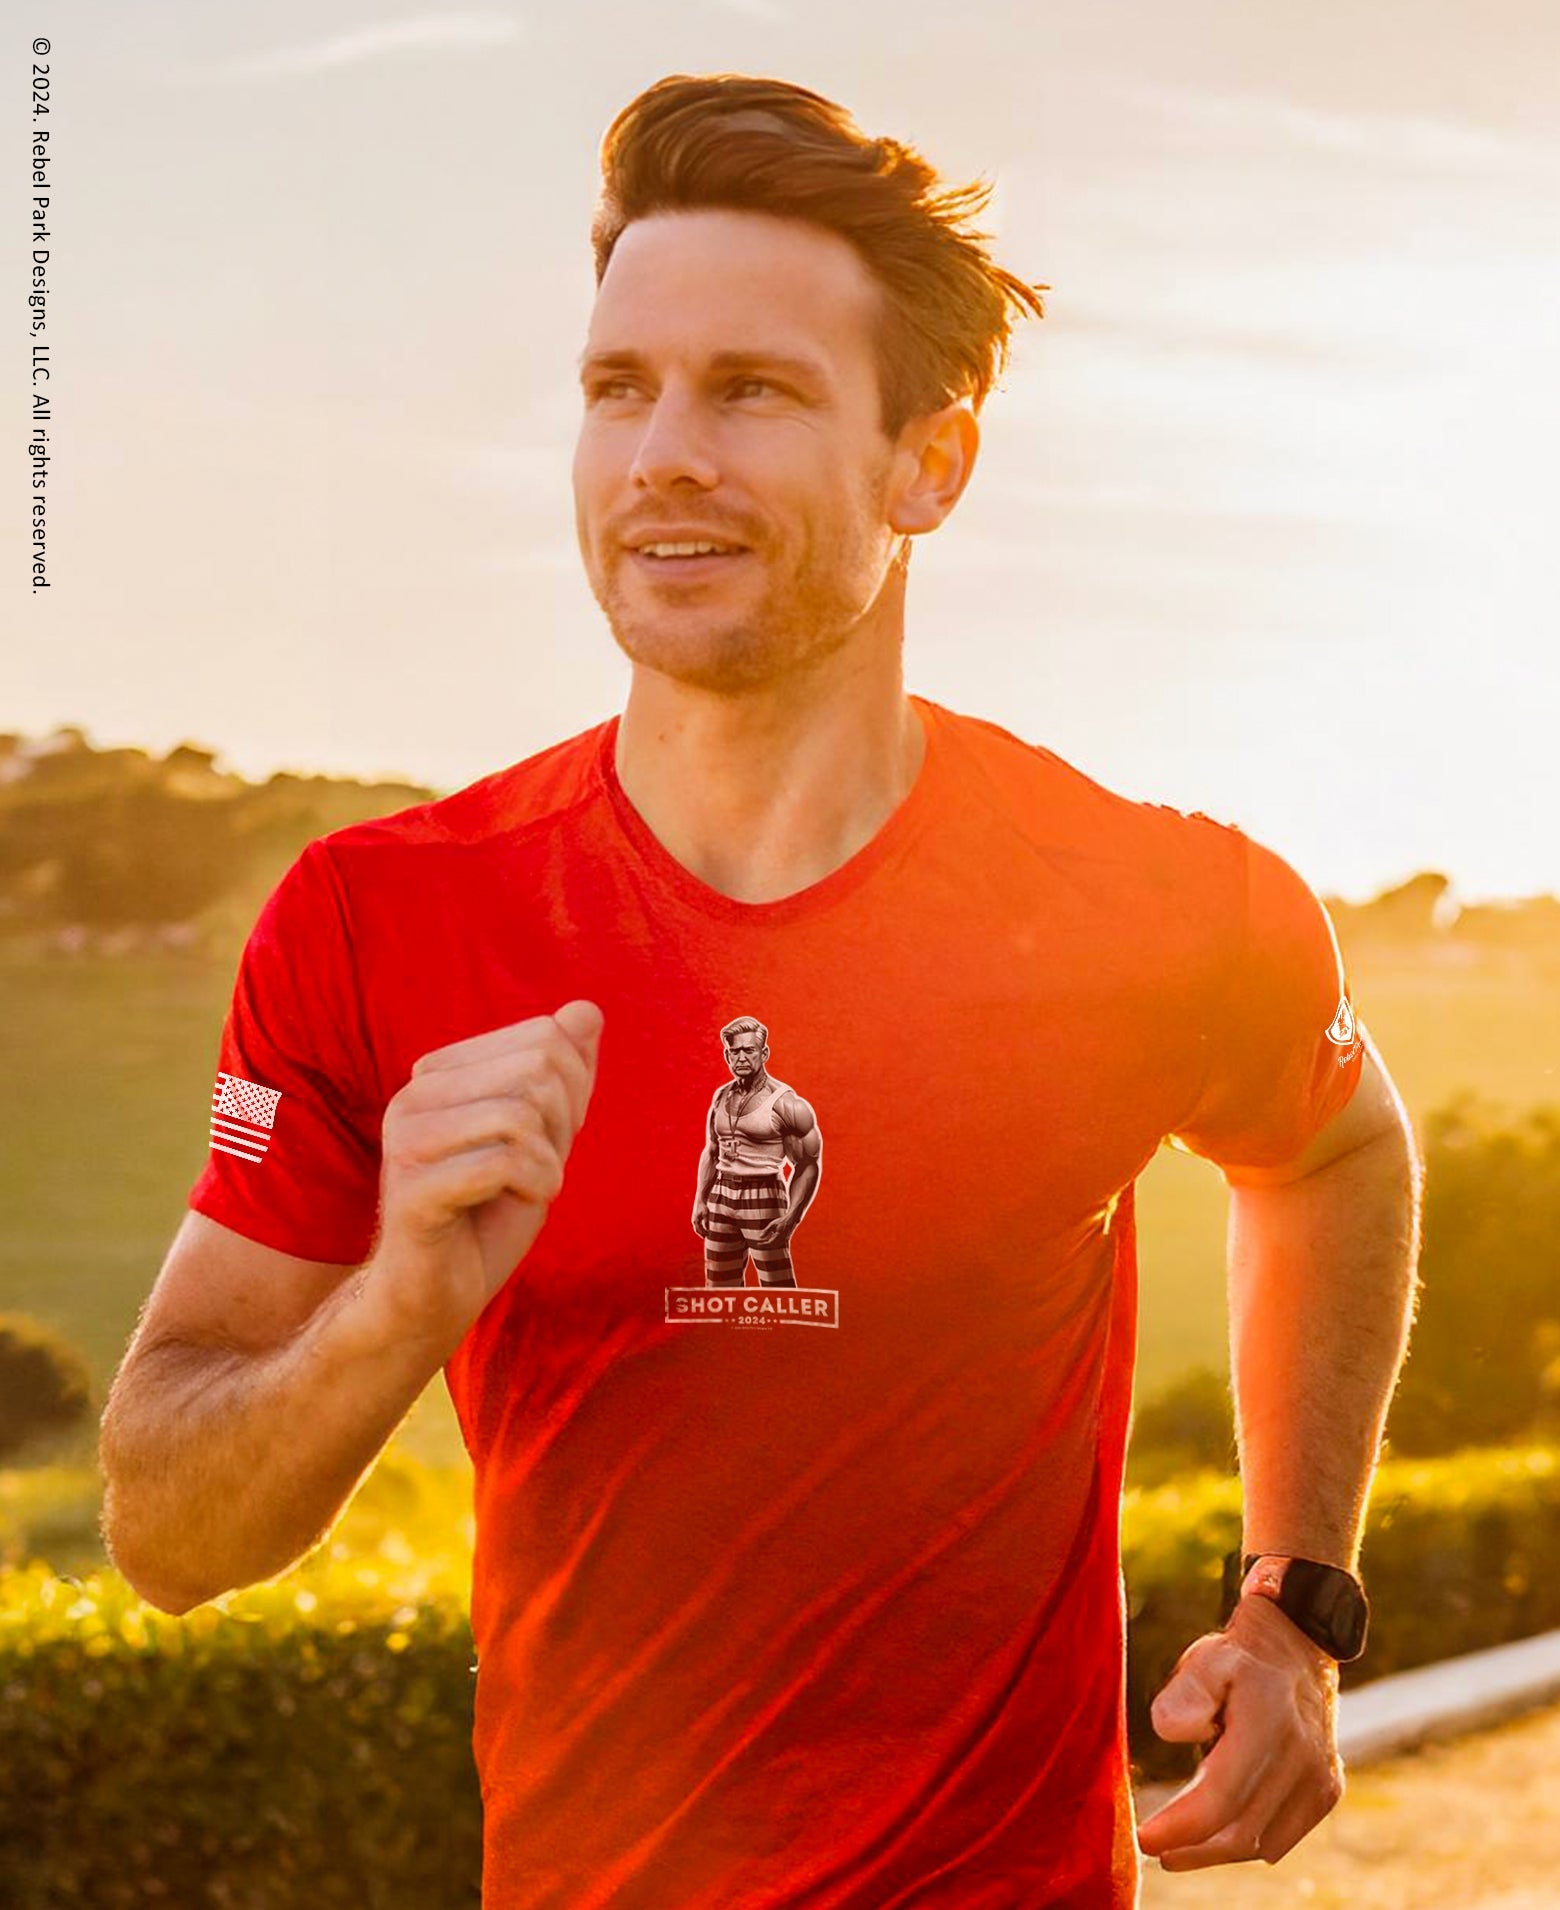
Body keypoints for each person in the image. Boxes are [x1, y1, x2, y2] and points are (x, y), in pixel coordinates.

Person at [98, 72, 1422, 1909]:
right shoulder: (383, 922)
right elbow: (167, 1535)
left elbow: (1340, 1149)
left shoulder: (1151, 901)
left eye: (754, 390)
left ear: (928, 463)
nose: (663, 458)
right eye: (616, 388)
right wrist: (390, 1312)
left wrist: (1300, 1603)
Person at [694, 1016, 823, 1290]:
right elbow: (712, 1150)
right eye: (734, 1051)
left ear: (763, 1053)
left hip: (763, 1193)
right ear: (727, 1054)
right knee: (719, 1289)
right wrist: (700, 1200)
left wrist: (792, 1217)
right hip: (721, 1193)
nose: (741, 1057)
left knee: (777, 1288)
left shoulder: (786, 1103)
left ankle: (781, 1336)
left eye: (749, 1050)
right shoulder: (721, 1096)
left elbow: (808, 1164)